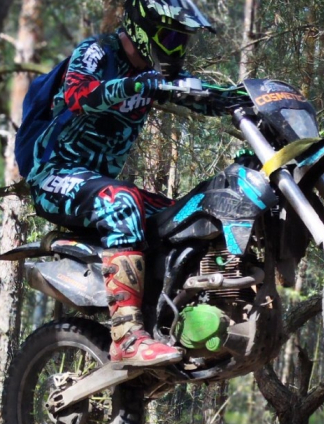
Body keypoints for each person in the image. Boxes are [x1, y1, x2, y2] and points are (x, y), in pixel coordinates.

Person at [26, 0, 217, 367]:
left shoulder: (153, 74)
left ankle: (167, 321)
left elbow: (203, 97)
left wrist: (248, 99)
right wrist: (135, 85)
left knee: (190, 214)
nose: (177, 47)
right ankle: (127, 337)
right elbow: (78, 94)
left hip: (97, 185)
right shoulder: (98, 51)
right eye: (171, 36)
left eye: (182, 39)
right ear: (146, 28)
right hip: (54, 177)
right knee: (121, 200)